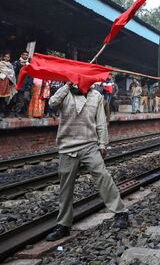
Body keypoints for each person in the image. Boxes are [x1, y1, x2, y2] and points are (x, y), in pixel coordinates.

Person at [45, 82, 128, 241]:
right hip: (67, 146)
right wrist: (67, 86)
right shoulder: (65, 94)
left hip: (89, 144)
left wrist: (102, 143)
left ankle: (121, 212)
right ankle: (63, 225)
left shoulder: (96, 96)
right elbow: (52, 103)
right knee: (65, 187)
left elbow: (101, 122)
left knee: (103, 177)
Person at [11, 51, 32, 117]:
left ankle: (17, 112)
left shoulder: (29, 65)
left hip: (23, 85)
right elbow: (12, 72)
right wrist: (20, 65)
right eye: (24, 55)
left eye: (26, 55)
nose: (25, 56)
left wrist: (29, 85)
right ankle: (7, 112)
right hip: (15, 83)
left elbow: (30, 75)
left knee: (20, 100)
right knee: (12, 98)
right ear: (21, 55)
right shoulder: (16, 62)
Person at [0, 53, 16, 117]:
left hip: (6, 83)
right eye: (5, 57)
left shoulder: (11, 65)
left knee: (4, 99)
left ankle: (2, 113)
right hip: (0, 81)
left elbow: (12, 74)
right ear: (3, 57)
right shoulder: (0, 64)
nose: (7, 58)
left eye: (8, 57)